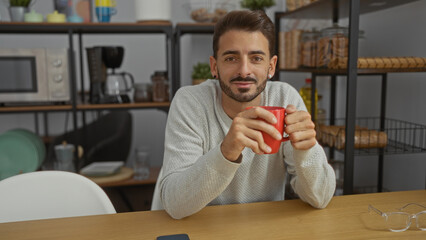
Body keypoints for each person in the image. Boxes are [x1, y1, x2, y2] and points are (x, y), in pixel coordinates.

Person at [151, 10, 336, 219]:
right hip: (201, 228)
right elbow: (175, 205)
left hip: (265, 228)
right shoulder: (190, 102)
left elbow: (320, 198)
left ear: (271, 66)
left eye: (256, 58)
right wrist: (226, 152)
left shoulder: (285, 98)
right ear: (214, 66)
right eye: (231, 58)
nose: (244, 70)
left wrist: (306, 150)